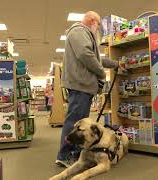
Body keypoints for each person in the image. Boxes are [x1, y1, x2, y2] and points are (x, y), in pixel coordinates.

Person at [56, 11, 118, 167]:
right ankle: (65, 155)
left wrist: (115, 64)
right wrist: (101, 72)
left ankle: (75, 153)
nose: (97, 30)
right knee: (74, 123)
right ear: (92, 21)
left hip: (84, 86)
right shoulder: (79, 31)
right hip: (80, 85)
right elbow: (85, 54)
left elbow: (96, 58)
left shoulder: (84, 34)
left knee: (79, 121)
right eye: (98, 26)